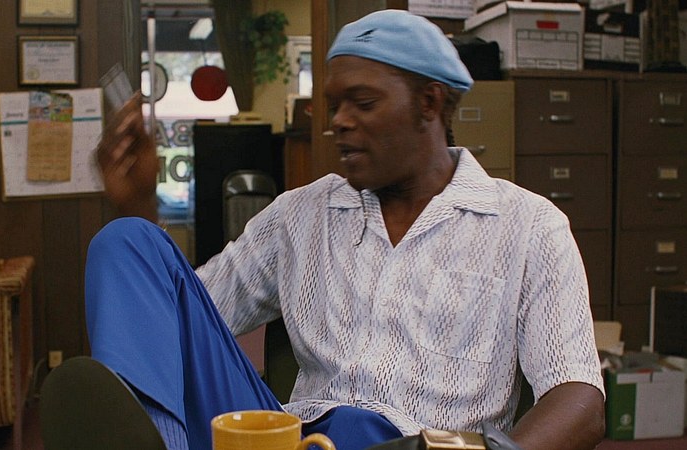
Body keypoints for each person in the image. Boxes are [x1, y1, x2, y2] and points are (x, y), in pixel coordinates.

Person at [87, 9, 605, 450]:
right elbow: (174, 320)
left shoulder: (528, 227)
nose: (339, 121)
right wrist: (138, 204)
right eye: (334, 105)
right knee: (126, 241)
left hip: (417, 443)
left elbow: (579, 398)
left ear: (429, 103)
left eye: (363, 102)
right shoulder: (299, 216)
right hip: (291, 436)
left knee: (359, 426)